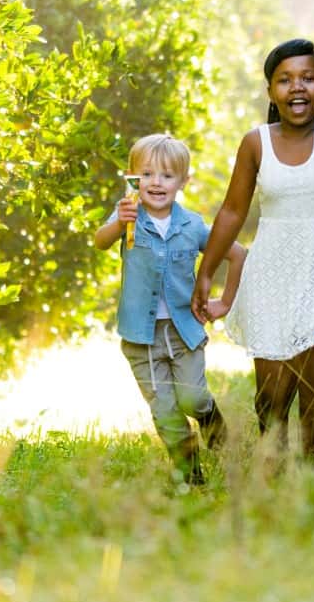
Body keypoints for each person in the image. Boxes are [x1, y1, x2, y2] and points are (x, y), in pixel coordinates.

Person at [190, 38, 314, 461]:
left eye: (309, 79)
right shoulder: (256, 143)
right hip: (272, 277)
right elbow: (231, 212)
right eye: (285, 80)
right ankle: (271, 473)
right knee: (272, 400)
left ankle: (311, 478)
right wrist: (207, 273)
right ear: (271, 91)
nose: (298, 88)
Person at [94, 134, 245, 486]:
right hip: (141, 337)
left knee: (191, 397)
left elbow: (237, 253)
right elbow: (101, 241)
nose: (156, 183)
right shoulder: (128, 217)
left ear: (183, 182)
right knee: (164, 410)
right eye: (147, 174)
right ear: (132, 178)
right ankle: (191, 478)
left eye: (166, 175)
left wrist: (224, 301)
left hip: (184, 333)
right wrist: (117, 222)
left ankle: (210, 419)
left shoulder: (192, 225)